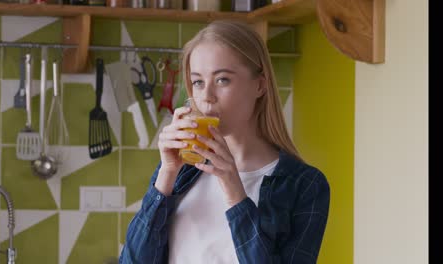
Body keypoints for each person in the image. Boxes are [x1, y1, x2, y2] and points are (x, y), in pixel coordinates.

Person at [119, 20, 330, 264]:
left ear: (260, 85)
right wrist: (166, 175)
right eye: (198, 82)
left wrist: (234, 190)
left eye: (222, 80)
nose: (206, 97)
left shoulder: (305, 185)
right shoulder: (182, 170)